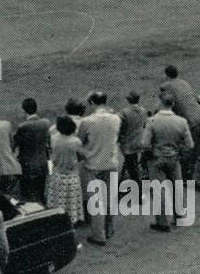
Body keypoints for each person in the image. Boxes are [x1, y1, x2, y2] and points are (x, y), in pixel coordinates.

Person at [76, 93, 122, 245]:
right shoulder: (116, 119)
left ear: (91, 102)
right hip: (111, 163)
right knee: (110, 198)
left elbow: (79, 142)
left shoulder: (87, 121)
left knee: (96, 201)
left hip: (93, 164)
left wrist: (86, 153)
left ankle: (98, 235)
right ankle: (109, 228)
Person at [141, 96, 193, 231]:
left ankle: (163, 222)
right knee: (177, 186)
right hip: (174, 157)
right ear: (173, 104)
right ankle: (180, 216)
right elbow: (190, 144)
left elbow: (145, 143)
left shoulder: (152, 121)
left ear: (159, 103)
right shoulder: (181, 121)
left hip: (157, 158)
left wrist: (153, 150)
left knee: (159, 189)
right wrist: (178, 150)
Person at [159, 65, 200, 189]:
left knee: (188, 149)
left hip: (192, 121)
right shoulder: (185, 83)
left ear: (166, 75)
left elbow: (167, 104)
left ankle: (186, 178)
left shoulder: (165, 86)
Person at [12, 99, 51, 204]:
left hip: (27, 166)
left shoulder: (22, 127)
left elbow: (13, 146)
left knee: (26, 197)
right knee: (41, 194)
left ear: (24, 110)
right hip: (42, 164)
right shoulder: (46, 123)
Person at [46, 115, 84, 220]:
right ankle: (73, 220)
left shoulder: (54, 139)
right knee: (72, 202)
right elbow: (81, 156)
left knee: (58, 201)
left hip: (57, 174)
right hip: (72, 175)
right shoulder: (76, 141)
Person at [116, 92, 148, 186]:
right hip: (140, 142)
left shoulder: (124, 112)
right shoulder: (143, 110)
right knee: (130, 163)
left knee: (133, 168)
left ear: (128, 100)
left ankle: (138, 189)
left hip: (128, 144)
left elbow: (119, 126)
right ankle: (122, 180)